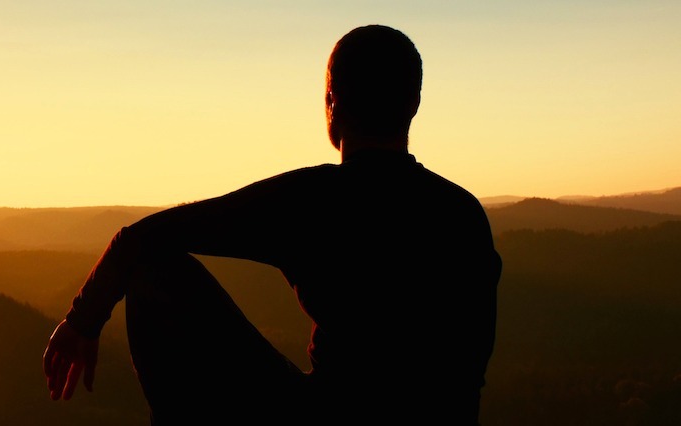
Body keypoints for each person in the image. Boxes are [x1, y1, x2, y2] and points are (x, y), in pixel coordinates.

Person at [43, 25, 501, 425]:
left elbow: (139, 239)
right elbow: (468, 368)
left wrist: (82, 322)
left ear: (332, 103)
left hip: (324, 415)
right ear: (414, 104)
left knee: (152, 272)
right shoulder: (464, 213)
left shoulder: (312, 201)